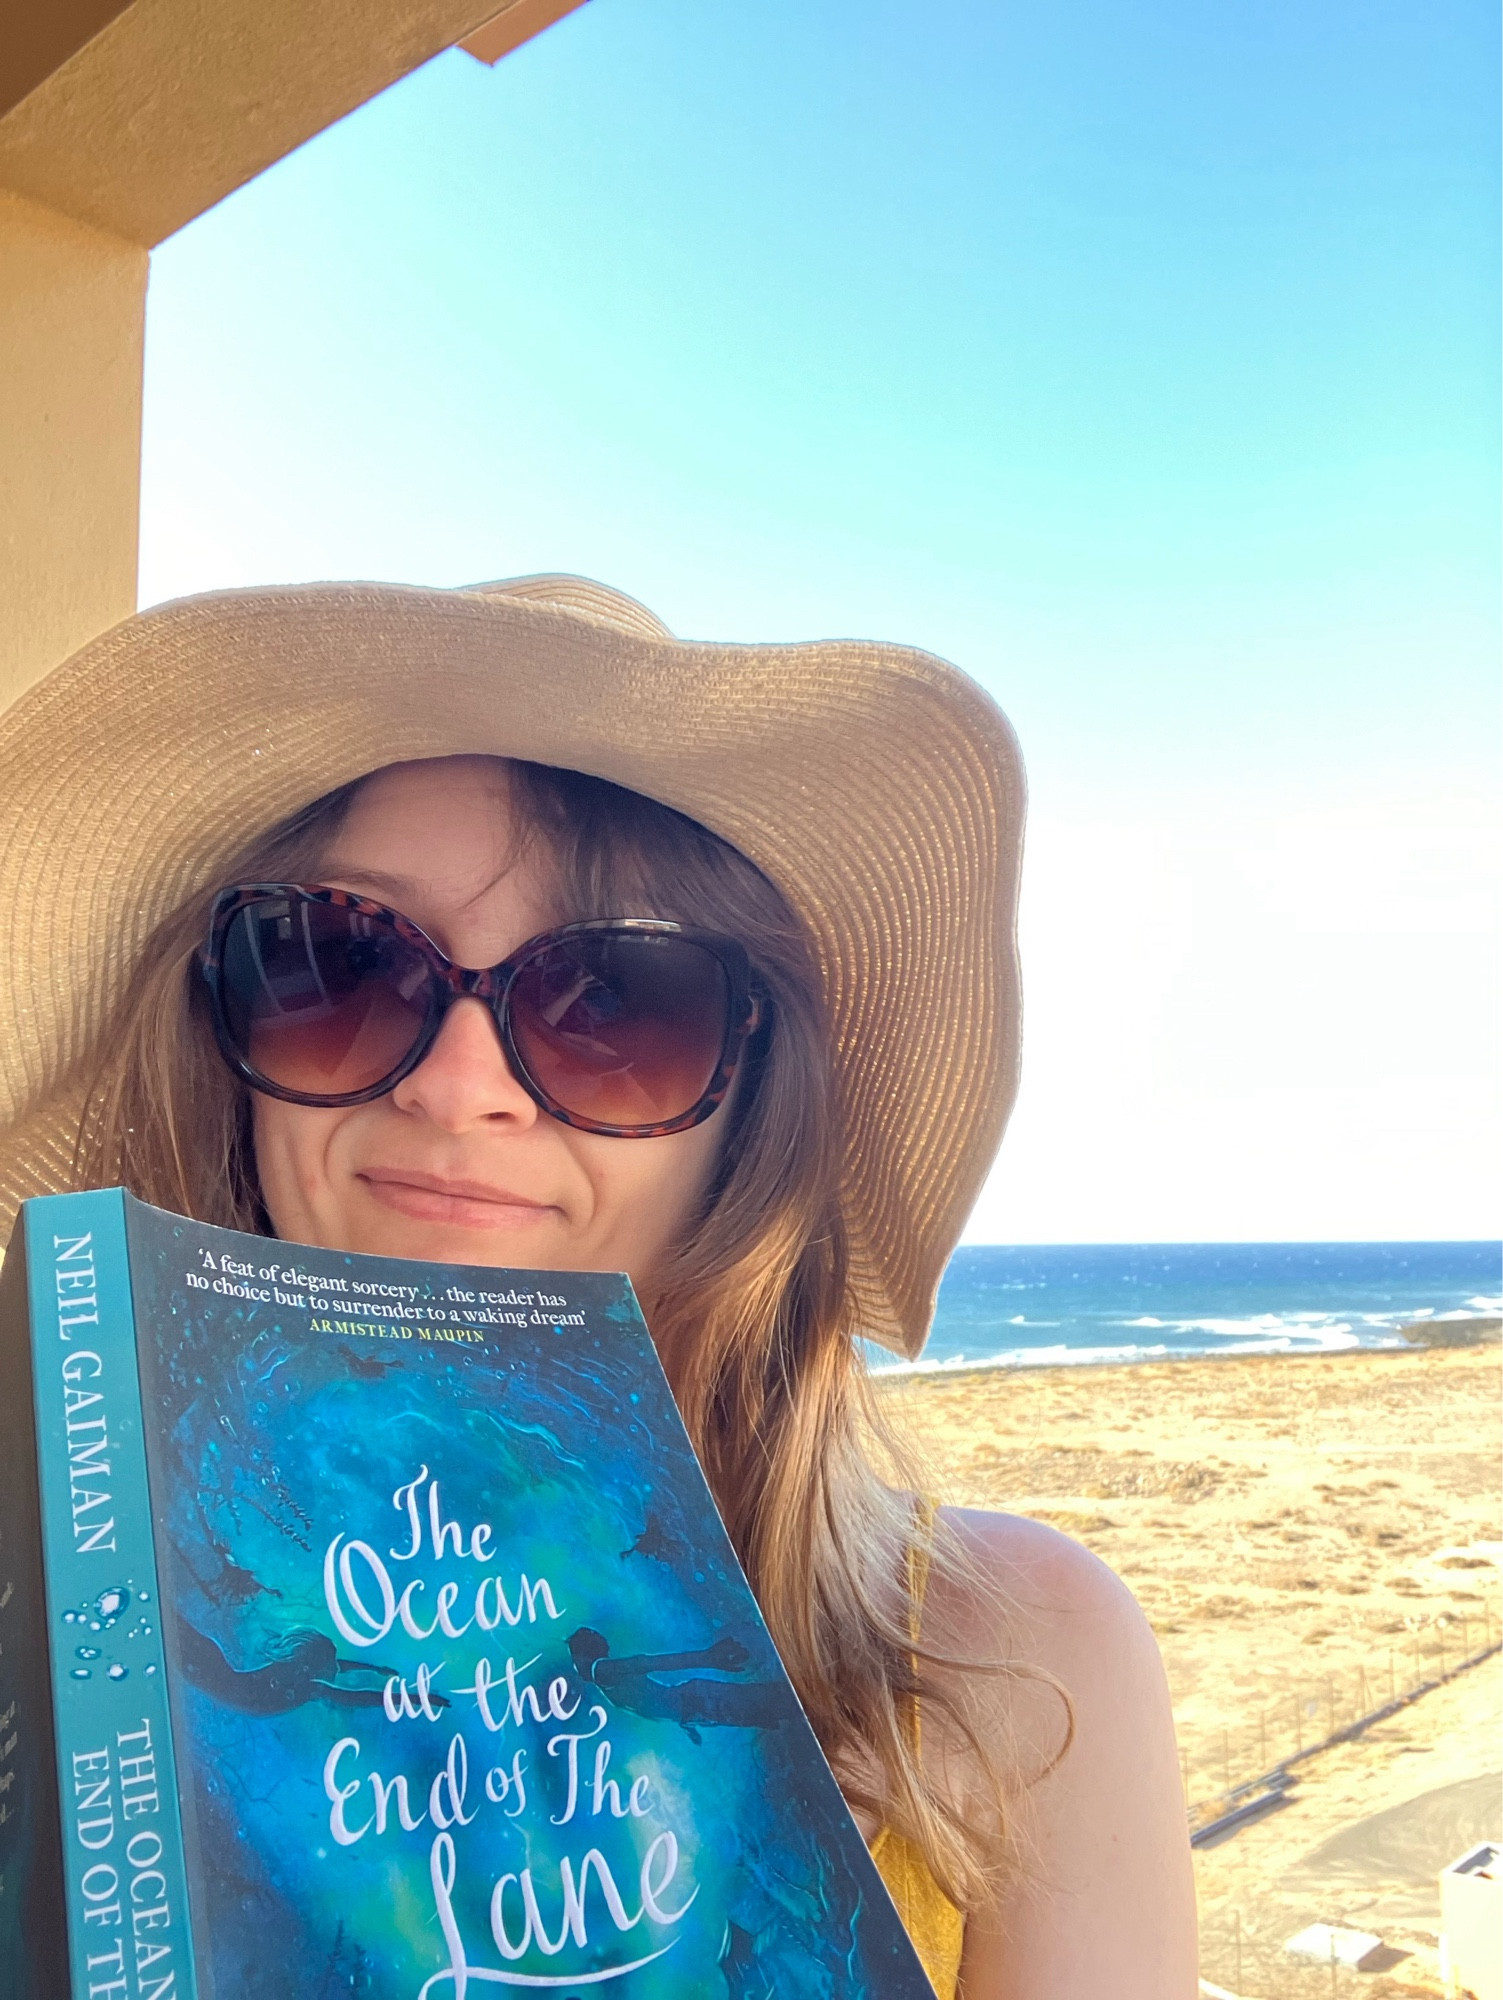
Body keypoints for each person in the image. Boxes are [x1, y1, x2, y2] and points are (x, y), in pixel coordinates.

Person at [0, 573, 1197, 1996]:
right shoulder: (61, 1652)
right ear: (225, 1027)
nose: (460, 1086)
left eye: (619, 1000)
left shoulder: (1013, 1663)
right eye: (338, 958)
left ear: (752, 1114)